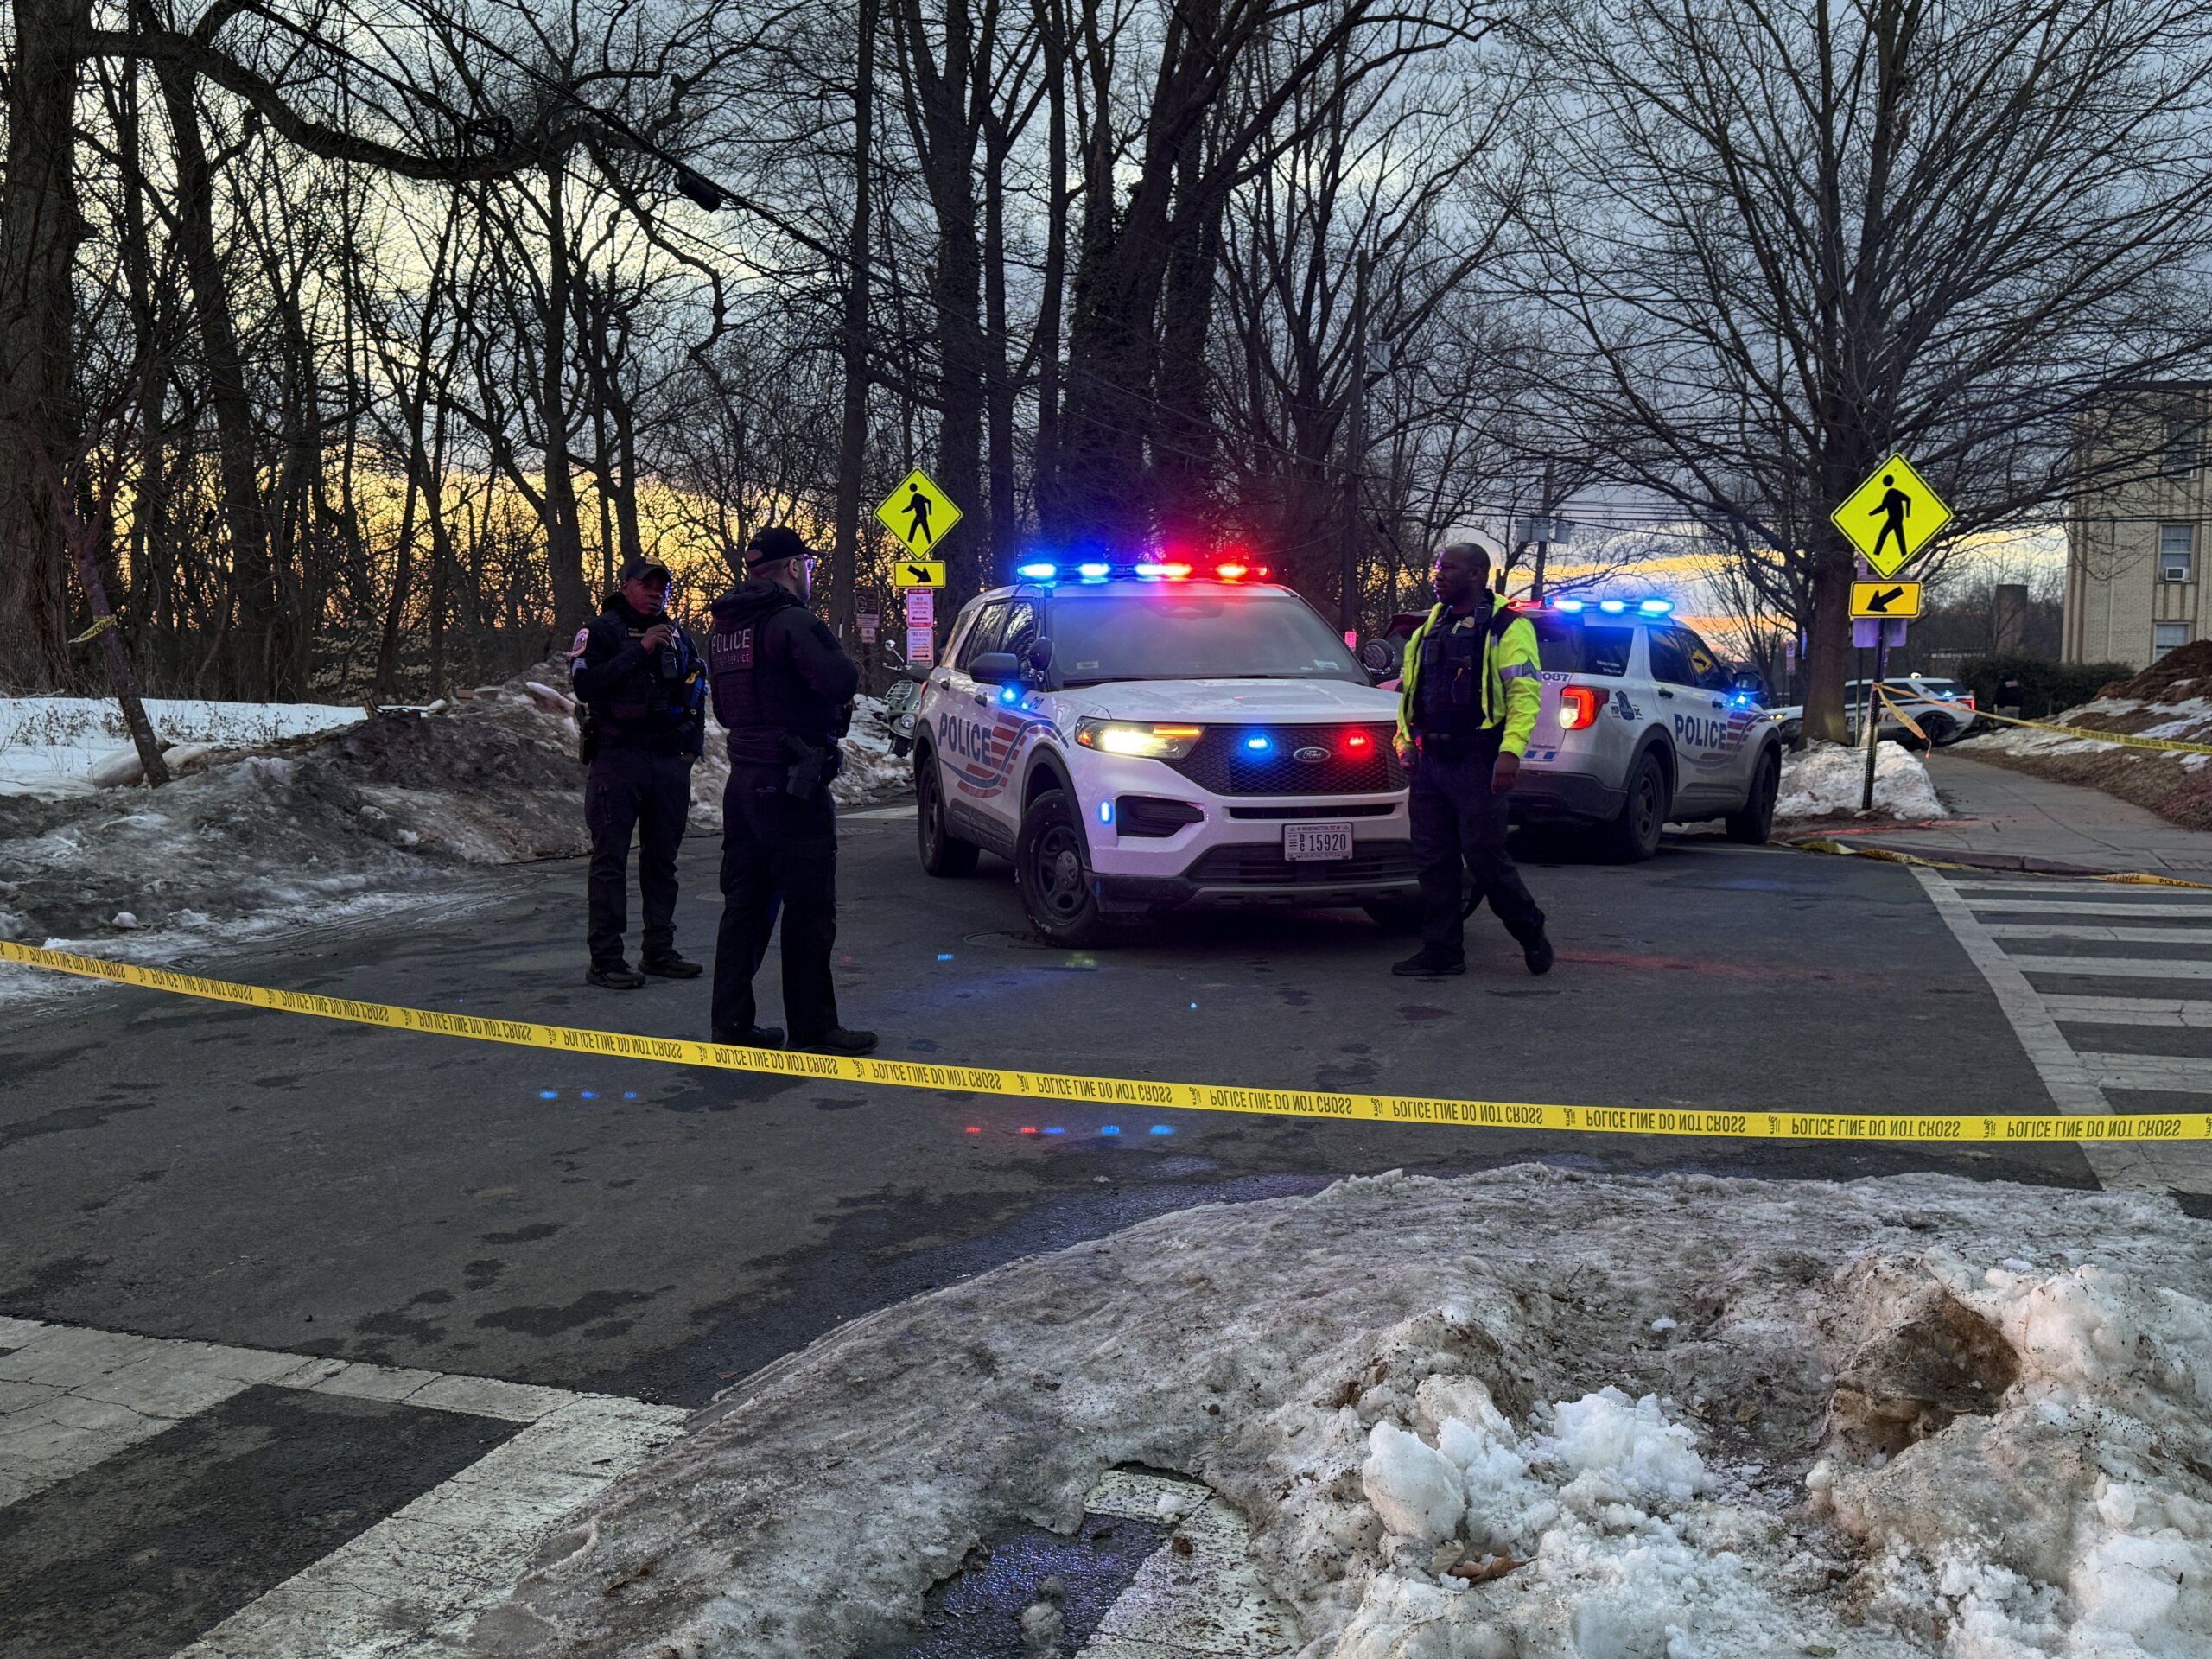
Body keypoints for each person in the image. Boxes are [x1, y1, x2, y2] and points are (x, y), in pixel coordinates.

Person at [705, 525, 877, 1055]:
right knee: (808, 908)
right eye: (808, 564)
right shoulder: (791, 621)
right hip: (792, 780)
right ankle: (814, 1027)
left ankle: (731, 1023)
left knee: (744, 905)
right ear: (793, 566)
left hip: (744, 779)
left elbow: (724, 705)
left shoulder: (725, 628)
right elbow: (840, 680)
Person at [1391, 542, 1554, 978]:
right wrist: (1405, 742)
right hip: (1430, 762)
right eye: (1438, 568)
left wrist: (1510, 752)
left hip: (1477, 761)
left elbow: (1524, 695)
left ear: (1478, 575)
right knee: (1432, 860)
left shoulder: (1506, 625)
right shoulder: (1431, 625)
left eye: (1449, 568)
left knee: (1484, 858)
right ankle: (1442, 951)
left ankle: (1531, 931)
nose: (1439, 575)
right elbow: (1412, 694)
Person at [571, 556, 708, 989]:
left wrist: (691, 748)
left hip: (668, 761)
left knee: (662, 861)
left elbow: (697, 689)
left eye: (662, 587)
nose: (655, 593)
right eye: (647, 585)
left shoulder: (678, 635)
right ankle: (606, 959)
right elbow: (586, 686)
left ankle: (659, 951)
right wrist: (641, 649)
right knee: (610, 860)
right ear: (626, 586)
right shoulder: (601, 631)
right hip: (619, 758)